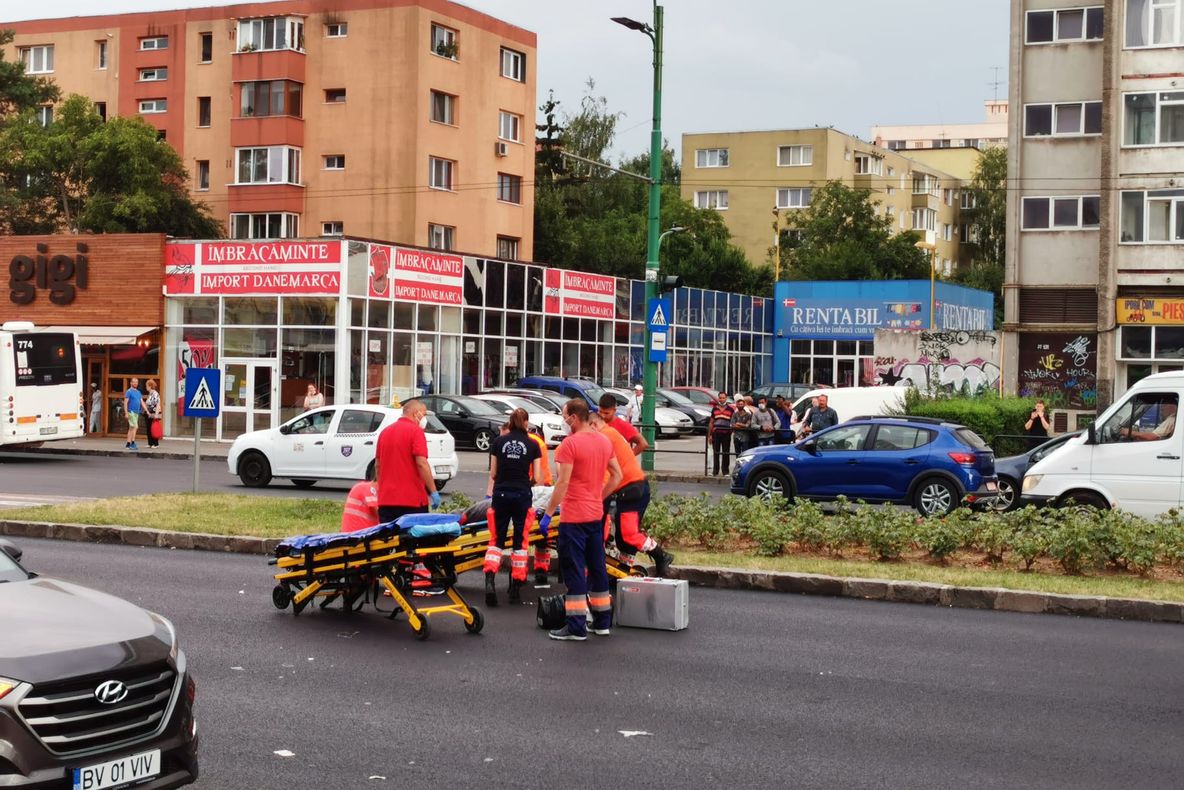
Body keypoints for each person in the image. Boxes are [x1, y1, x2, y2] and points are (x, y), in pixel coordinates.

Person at [540, 398, 621, 641]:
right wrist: (599, 496)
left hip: (574, 516)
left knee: (574, 570)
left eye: (565, 417)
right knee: (597, 568)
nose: (564, 422)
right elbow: (617, 475)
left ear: (574, 418)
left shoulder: (569, 445)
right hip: (595, 515)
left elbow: (562, 483)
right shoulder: (604, 441)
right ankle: (602, 622)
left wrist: (547, 513)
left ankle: (575, 627)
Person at [591, 413, 674, 576]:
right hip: (631, 488)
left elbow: (605, 471)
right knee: (622, 537)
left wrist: (597, 496)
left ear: (593, 425)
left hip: (632, 489)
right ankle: (624, 570)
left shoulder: (604, 437)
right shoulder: (609, 433)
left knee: (628, 534)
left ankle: (661, 556)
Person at [483, 409, 542, 606]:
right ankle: (515, 587)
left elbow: (493, 473)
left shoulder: (498, 442)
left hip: (500, 494)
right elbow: (539, 477)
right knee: (520, 542)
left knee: (496, 540)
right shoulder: (533, 445)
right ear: (526, 422)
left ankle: (490, 579)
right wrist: (527, 483)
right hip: (522, 496)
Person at [374, 400, 442, 524]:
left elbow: (378, 465)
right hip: (412, 501)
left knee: (389, 541)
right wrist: (433, 491)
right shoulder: (416, 432)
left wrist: (382, 489)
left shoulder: (384, 432)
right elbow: (421, 463)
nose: (425, 419)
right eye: (424, 414)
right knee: (413, 541)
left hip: (386, 501)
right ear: (416, 413)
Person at [709, 391, 735, 475]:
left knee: (725, 452)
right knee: (716, 452)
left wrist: (731, 431)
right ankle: (715, 471)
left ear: (726, 398)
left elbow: (733, 422)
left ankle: (725, 471)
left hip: (726, 434)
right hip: (716, 434)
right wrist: (709, 435)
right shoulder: (714, 409)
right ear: (718, 398)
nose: (722, 399)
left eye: (723, 398)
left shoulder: (731, 409)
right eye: (720, 398)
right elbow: (711, 422)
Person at [123, 377, 142, 451]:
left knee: (131, 428)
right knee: (135, 427)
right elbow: (125, 403)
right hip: (131, 412)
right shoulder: (129, 391)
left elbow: (141, 402)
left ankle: (128, 443)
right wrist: (126, 413)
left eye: (136, 382)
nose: (135, 383)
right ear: (131, 383)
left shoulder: (138, 392)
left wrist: (146, 410)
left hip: (137, 412)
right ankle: (132, 443)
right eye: (134, 382)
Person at [143, 379, 162, 449]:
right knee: (148, 428)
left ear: (150, 386)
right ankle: (150, 443)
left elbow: (157, 404)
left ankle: (156, 444)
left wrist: (156, 414)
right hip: (149, 413)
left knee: (153, 428)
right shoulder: (150, 394)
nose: (146, 387)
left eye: (147, 386)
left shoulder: (155, 393)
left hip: (153, 413)